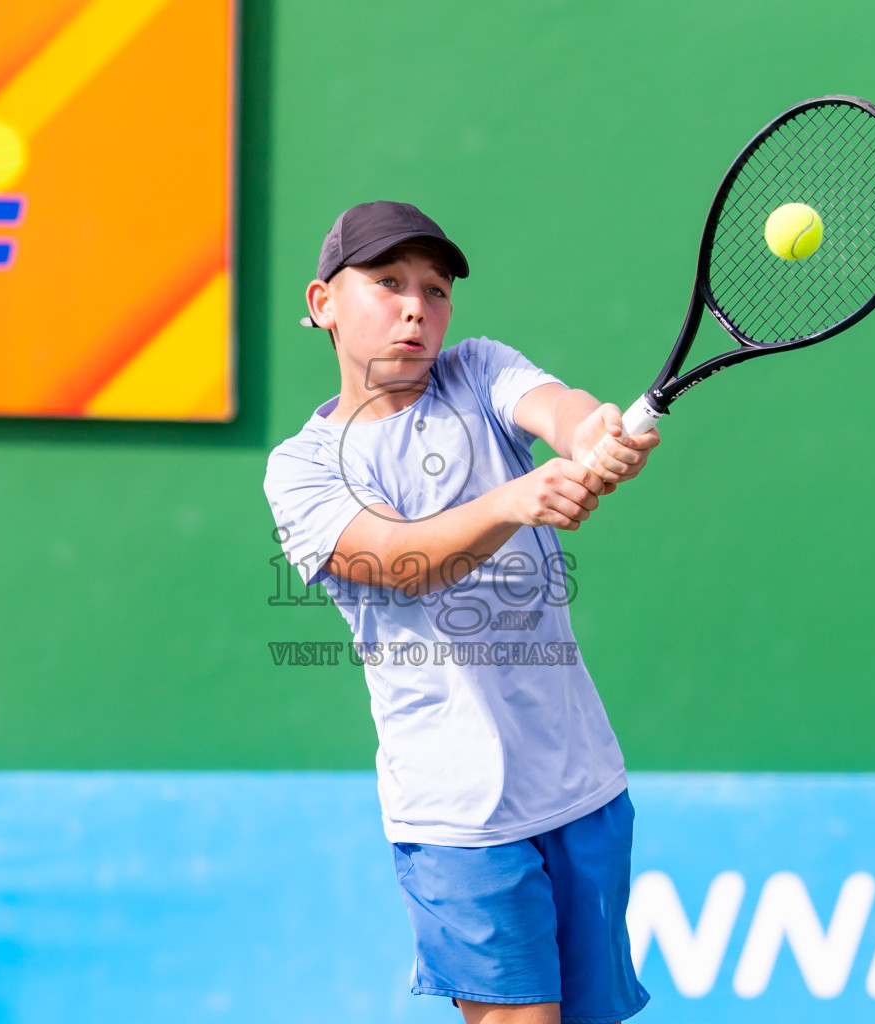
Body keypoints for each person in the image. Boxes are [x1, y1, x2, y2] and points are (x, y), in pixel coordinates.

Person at [263, 200, 660, 1023]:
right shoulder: (299, 469)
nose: (416, 304)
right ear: (322, 302)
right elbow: (402, 562)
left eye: (435, 289)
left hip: (582, 786)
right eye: (387, 282)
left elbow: (557, 406)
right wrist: (516, 500)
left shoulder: (476, 372)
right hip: (458, 818)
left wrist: (592, 434)